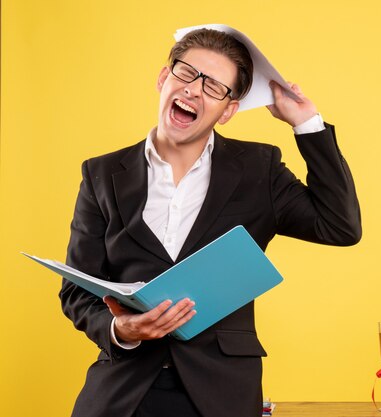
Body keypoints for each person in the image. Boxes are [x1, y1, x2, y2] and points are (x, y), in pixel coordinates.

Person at [59, 26, 361, 417]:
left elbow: (339, 226)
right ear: (164, 78)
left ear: (229, 110)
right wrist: (122, 331)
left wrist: (307, 123)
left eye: (215, 87)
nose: (194, 90)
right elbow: (76, 292)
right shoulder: (101, 174)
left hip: (221, 394)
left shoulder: (258, 169)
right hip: (122, 392)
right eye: (186, 73)